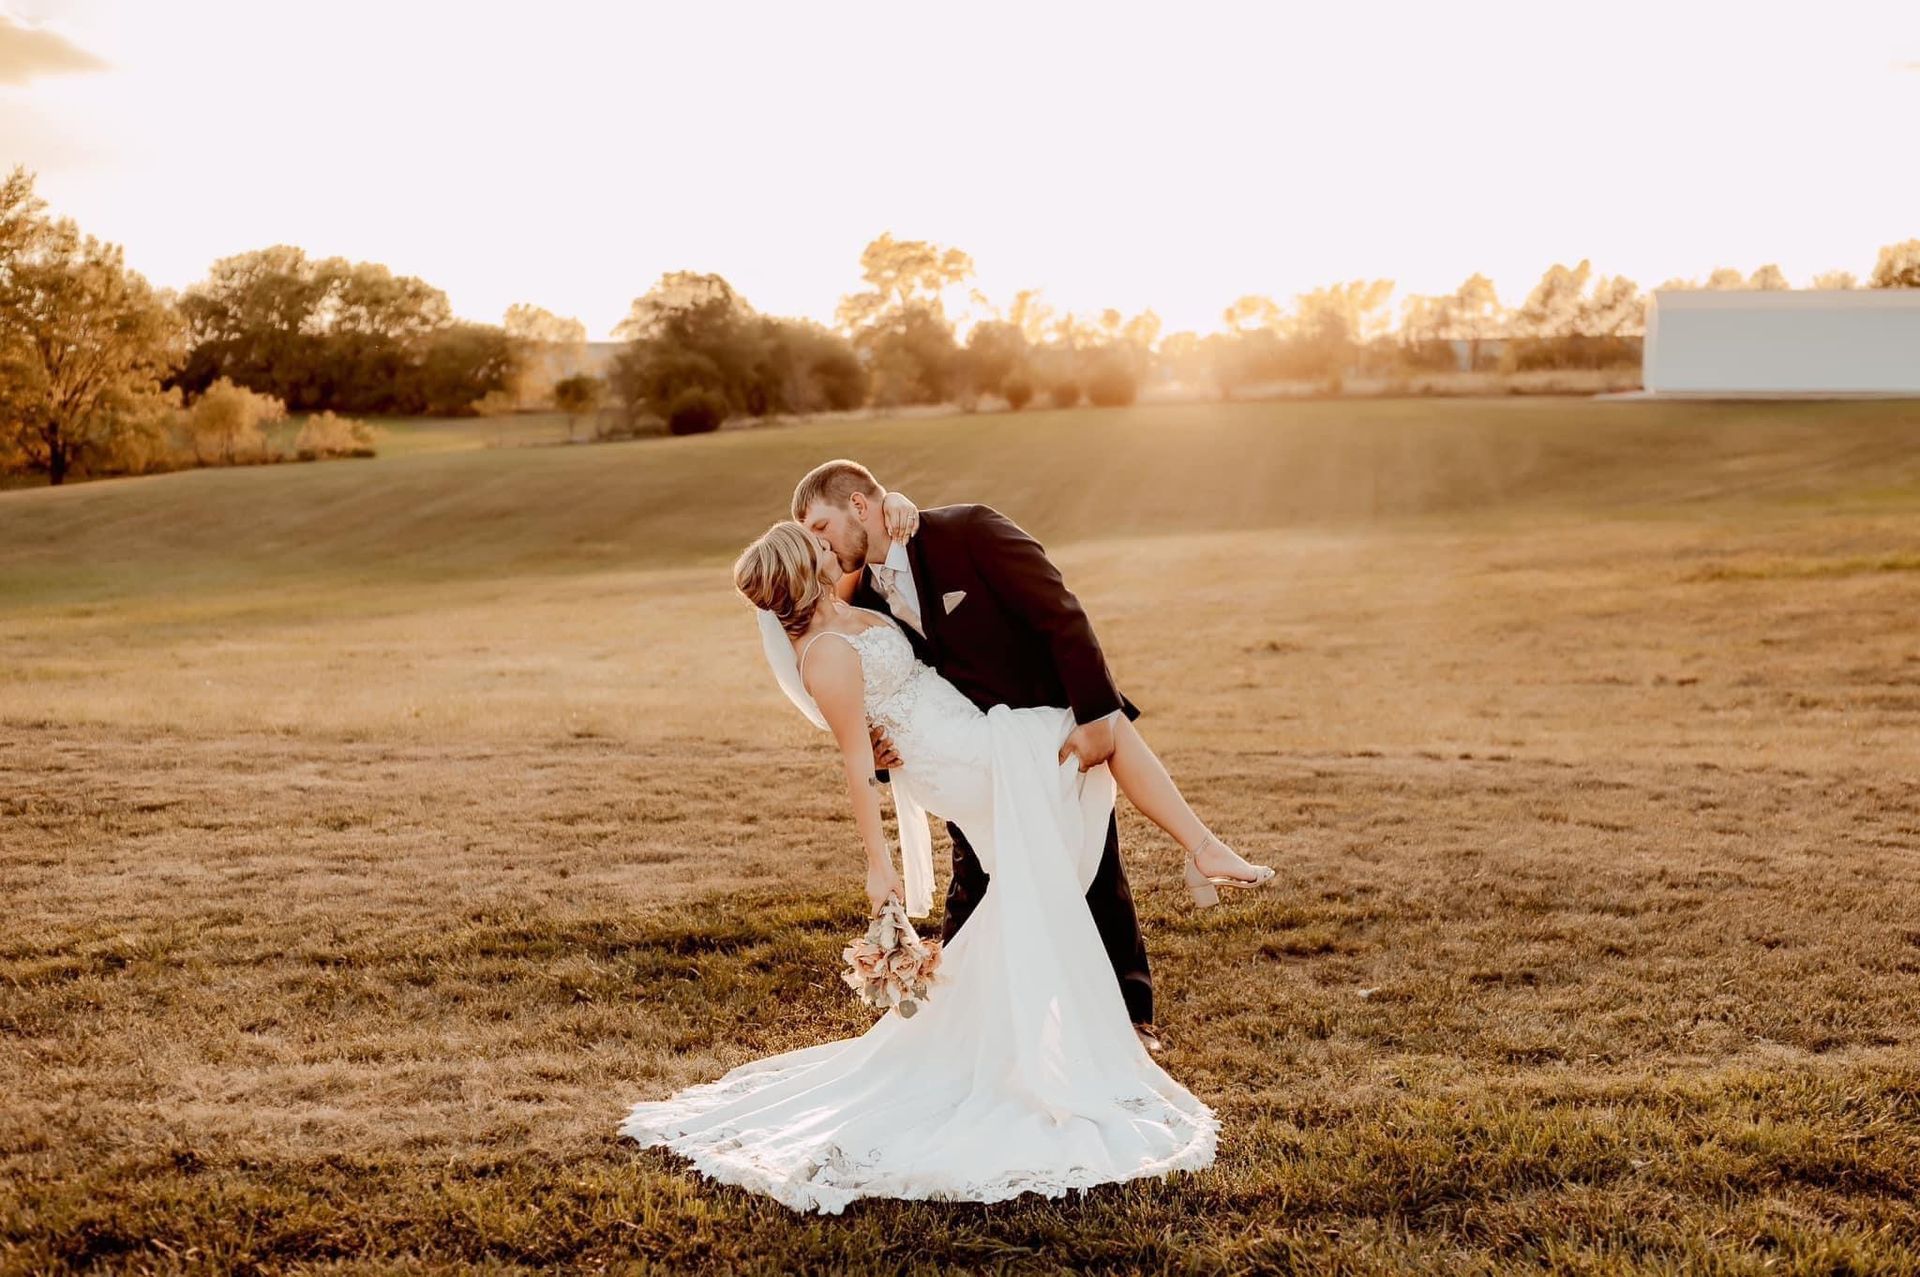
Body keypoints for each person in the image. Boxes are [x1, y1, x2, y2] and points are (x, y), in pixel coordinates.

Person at [617, 504, 1274, 1214]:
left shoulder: (846, 613)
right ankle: (1200, 850)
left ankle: (1032, 1022)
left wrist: (895, 507)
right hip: (962, 761)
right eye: (814, 544)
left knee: (1042, 857)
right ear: (800, 571)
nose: (828, 547)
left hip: (977, 731)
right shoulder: (827, 655)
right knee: (1098, 730)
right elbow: (855, 765)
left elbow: (886, 571)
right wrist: (880, 865)